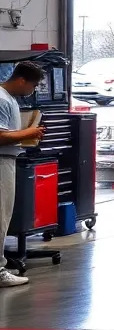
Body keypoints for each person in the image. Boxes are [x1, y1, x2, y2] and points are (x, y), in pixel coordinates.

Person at [0, 62, 48, 288]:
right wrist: (28, 131)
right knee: (1, 217)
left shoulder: (9, 99)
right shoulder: (1, 99)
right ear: (22, 80)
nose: (33, 90)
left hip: (8, 159)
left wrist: (28, 137)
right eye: (34, 85)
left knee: (4, 216)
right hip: (1, 161)